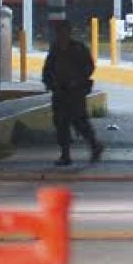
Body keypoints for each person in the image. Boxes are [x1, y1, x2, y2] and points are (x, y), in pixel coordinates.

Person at [42, 20, 103, 167]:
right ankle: (65, 154)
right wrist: (49, 83)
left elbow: (89, 66)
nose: (61, 35)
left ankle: (95, 146)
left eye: (63, 32)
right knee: (61, 124)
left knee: (80, 122)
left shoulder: (78, 48)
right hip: (59, 92)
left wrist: (77, 80)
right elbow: (48, 69)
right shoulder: (55, 49)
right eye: (58, 32)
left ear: (68, 32)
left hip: (75, 92)